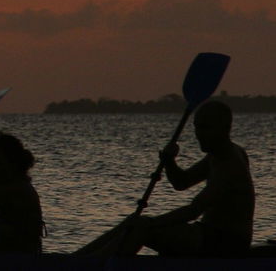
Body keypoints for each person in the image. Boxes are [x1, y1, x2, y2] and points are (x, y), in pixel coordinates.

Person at [78, 99, 254, 257]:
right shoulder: (216, 155)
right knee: (134, 222)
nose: (198, 134)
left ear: (225, 128)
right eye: (196, 127)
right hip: (206, 234)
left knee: (140, 226)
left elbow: (193, 211)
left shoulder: (230, 164)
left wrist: (151, 224)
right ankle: (79, 258)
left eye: (206, 128)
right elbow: (181, 182)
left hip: (226, 243)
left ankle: (93, 264)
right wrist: (169, 161)